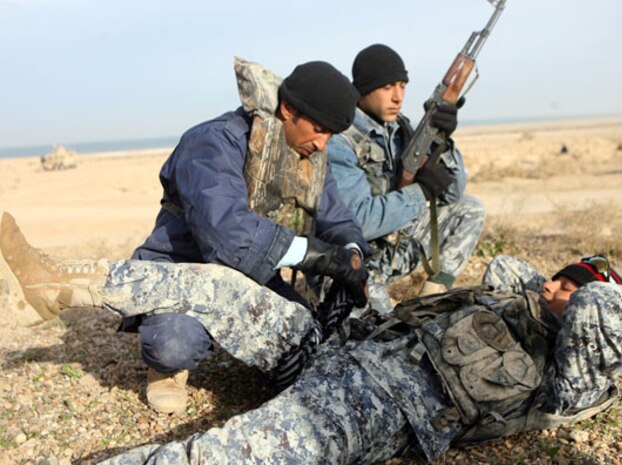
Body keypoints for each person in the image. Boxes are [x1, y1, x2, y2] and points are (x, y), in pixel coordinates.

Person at [0, 59, 373, 415]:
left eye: (331, 135)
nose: (323, 144)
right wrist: (320, 257)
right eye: (320, 130)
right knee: (174, 345)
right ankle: (161, 363)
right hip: (180, 267)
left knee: (305, 335)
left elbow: (337, 217)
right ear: (289, 109)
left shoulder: (306, 156)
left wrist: (351, 254)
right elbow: (227, 237)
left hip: (254, 275)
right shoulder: (212, 142)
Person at [94, 253, 622, 464]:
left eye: (573, 289)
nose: (555, 287)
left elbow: (599, 311)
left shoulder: (570, 378)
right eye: (559, 277)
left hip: (376, 405)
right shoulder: (508, 301)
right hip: (342, 350)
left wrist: (596, 286)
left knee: (227, 454)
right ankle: (83, 280)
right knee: (218, 286)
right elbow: (507, 267)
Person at [326, 44, 486, 313]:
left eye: (402, 85)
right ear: (363, 89)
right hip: (355, 260)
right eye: (387, 87)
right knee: (380, 331)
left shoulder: (401, 128)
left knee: (469, 209)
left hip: (396, 247)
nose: (398, 97)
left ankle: (432, 299)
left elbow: (451, 195)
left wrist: (443, 143)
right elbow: (358, 223)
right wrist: (419, 193)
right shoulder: (340, 141)